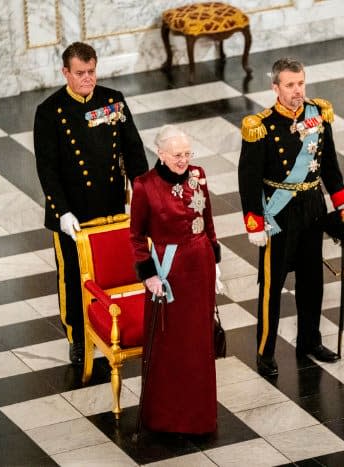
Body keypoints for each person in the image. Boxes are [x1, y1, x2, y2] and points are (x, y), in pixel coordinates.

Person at [34, 42, 148, 365]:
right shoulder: (50, 112)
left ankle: (110, 328)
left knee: (110, 275)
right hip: (72, 211)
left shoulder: (113, 101)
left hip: (110, 204)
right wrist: (62, 212)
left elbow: (134, 152)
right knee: (73, 276)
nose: (88, 79)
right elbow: (48, 169)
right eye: (80, 73)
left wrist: (144, 195)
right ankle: (78, 339)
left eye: (92, 72)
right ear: (65, 73)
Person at [238, 58, 344, 377]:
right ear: (275, 88)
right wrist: (254, 222)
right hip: (279, 212)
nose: (297, 90)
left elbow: (329, 164)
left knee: (312, 281)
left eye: (300, 83)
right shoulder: (261, 126)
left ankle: (309, 341)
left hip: (312, 207)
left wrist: (342, 204)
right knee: (272, 287)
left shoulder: (318, 114)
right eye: (290, 85)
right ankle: (265, 351)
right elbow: (248, 179)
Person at [130, 125, 222, 434]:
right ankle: (167, 417)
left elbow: (207, 218)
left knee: (199, 343)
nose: (184, 161)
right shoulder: (145, 186)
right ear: (160, 154)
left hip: (202, 268)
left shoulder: (198, 175)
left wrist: (215, 257)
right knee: (172, 345)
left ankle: (200, 417)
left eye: (187, 154)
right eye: (177, 155)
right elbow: (136, 237)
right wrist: (149, 275)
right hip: (169, 272)